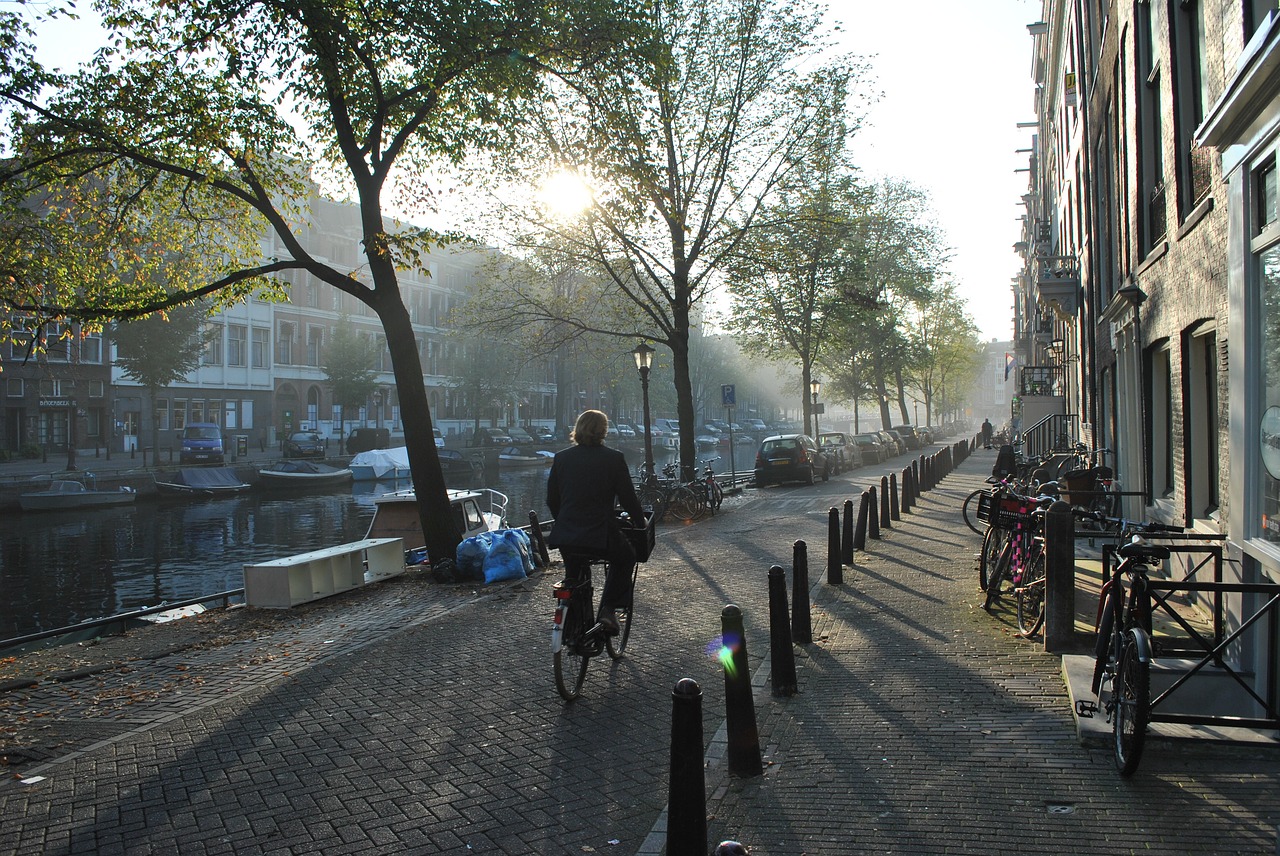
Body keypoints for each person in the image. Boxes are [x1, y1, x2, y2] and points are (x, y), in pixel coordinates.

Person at [546, 410, 645, 634]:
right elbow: (628, 499)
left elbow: (552, 499)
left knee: (574, 576)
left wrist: (564, 521)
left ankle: (573, 626)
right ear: (603, 431)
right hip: (600, 532)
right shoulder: (613, 458)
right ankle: (608, 610)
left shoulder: (562, 458)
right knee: (625, 558)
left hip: (567, 534)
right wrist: (640, 523)